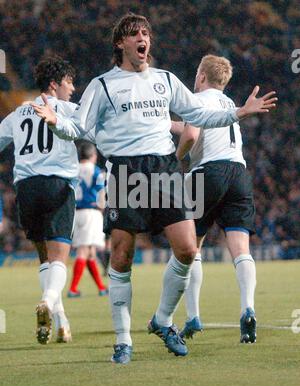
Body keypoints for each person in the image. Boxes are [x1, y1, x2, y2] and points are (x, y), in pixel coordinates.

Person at [31, 13, 276, 363]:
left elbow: (199, 116)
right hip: (125, 171)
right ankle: (123, 340)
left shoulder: (165, 80)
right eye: (135, 34)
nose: (143, 38)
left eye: (146, 33)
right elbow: (81, 127)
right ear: (121, 43)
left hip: (163, 168)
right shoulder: (103, 85)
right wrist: (57, 122)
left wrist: (240, 112)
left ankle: (162, 320)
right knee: (121, 255)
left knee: (189, 249)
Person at [175, 54, 260, 343]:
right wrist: (167, 124)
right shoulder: (229, 103)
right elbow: (194, 129)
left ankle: (192, 317)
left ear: (201, 76)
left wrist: (176, 158)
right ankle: (248, 308)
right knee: (240, 249)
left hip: (207, 173)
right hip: (238, 174)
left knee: (190, 249)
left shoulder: (196, 100)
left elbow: (190, 136)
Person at [0, 56, 82, 345]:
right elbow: (93, 132)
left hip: (26, 190)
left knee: (44, 258)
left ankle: (61, 323)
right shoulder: (69, 109)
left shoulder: (18, 113)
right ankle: (47, 301)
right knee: (60, 257)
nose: (72, 88)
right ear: (53, 85)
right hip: (57, 185)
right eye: (68, 82)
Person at [68, 141, 108, 297]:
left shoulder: (72, 170)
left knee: (90, 252)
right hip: (91, 212)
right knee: (84, 251)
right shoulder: (96, 171)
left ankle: (101, 287)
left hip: (76, 213)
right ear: (93, 155)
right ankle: (72, 289)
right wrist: (102, 207)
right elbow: (100, 193)